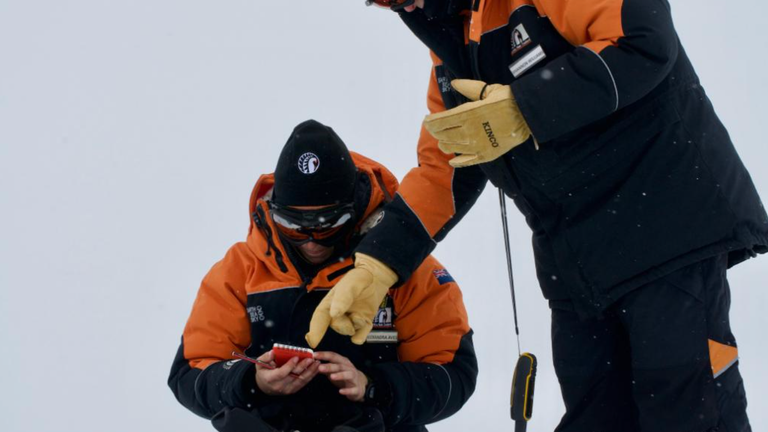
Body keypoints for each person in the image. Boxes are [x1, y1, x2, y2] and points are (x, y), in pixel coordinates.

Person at [306, 1, 768, 431]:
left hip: (667, 231)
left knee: (686, 410)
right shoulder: (452, 48)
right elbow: (447, 164)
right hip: (577, 269)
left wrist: (525, 107)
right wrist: (378, 263)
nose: (404, 6)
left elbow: (642, 40)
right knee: (595, 415)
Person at [168, 120, 478, 432]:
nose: (312, 240)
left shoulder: (404, 268)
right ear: (273, 211)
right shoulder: (239, 271)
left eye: (328, 223)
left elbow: (453, 374)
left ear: (355, 208)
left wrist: (372, 385)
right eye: (293, 226)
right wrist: (251, 380)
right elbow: (191, 371)